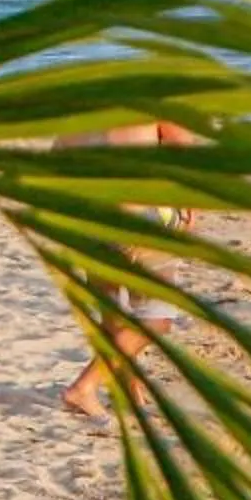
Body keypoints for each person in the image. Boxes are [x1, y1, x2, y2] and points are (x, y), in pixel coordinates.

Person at [59, 118, 203, 421]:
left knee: (113, 309)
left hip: (85, 213)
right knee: (157, 319)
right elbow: (182, 150)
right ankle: (84, 387)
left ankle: (129, 388)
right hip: (133, 214)